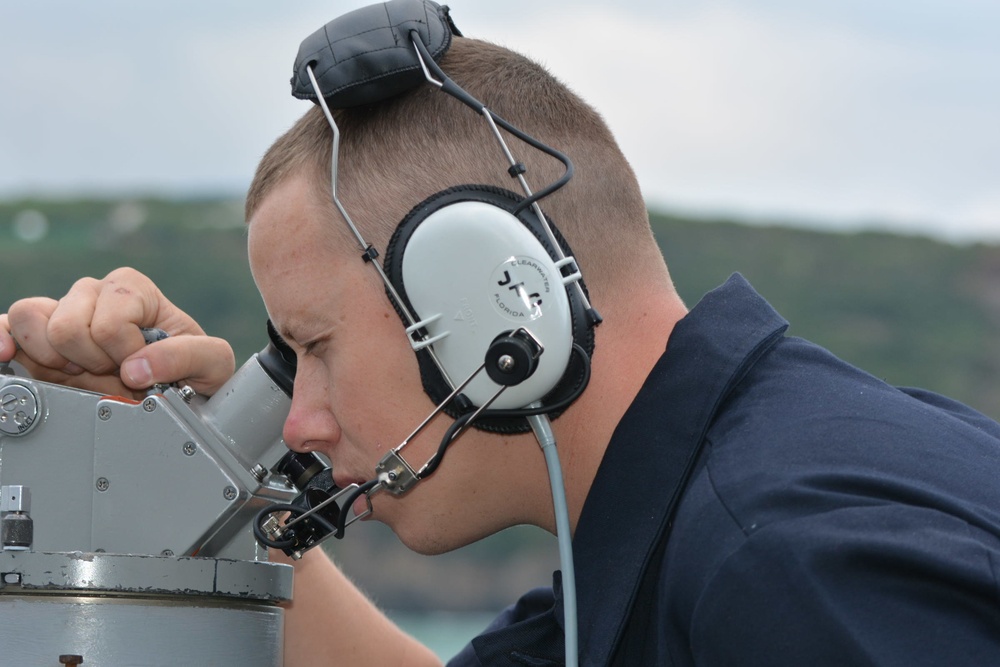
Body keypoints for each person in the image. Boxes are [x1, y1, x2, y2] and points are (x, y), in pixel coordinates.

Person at [4, 9, 1000, 667]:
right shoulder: (699, 505)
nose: (297, 420)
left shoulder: (789, 572)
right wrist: (187, 480)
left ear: (492, 306)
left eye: (313, 345)